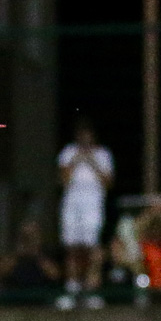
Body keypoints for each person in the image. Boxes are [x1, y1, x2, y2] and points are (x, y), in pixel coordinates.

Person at [56, 118, 114, 309]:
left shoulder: (103, 154)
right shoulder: (69, 152)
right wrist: (76, 159)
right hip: (72, 203)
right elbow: (63, 180)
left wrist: (91, 161)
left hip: (92, 204)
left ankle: (91, 290)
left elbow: (108, 183)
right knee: (72, 247)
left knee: (92, 248)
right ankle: (71, 289)